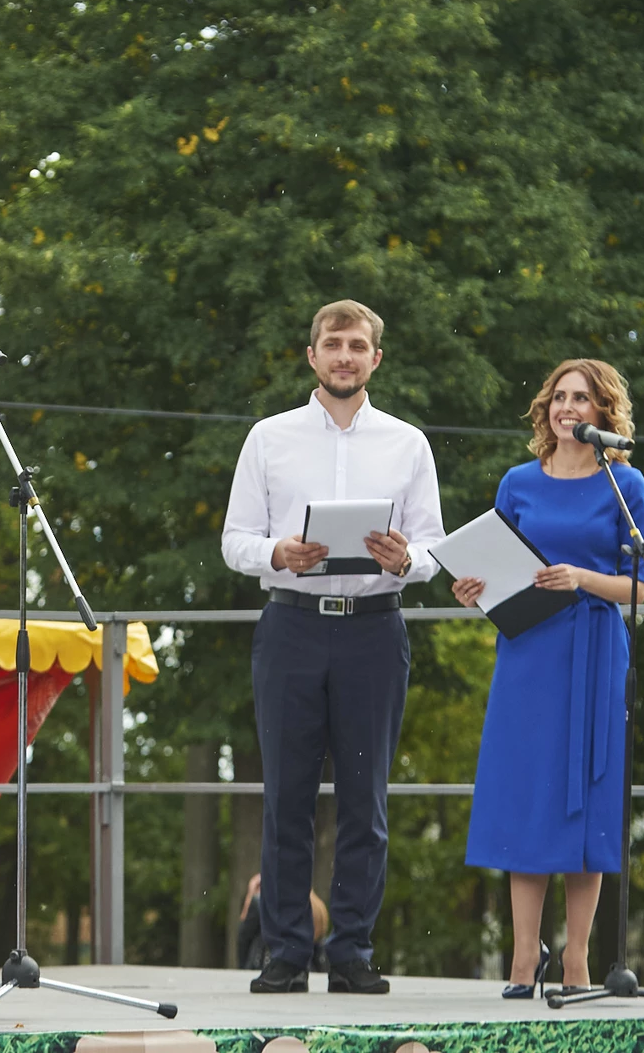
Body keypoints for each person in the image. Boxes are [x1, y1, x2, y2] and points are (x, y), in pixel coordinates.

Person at [221, 299, 447, 995]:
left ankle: (350, 952)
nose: (344, 356)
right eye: (332, 343)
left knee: (364, 800)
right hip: (290, 627)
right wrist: (277, 553)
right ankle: (286, 952)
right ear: (311, 355)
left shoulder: (408, 443)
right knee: (285, 798)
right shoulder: (268, 437)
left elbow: (434, 547)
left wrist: (406, 559)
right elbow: (234, 541)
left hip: (374, 630)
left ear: (375, 358)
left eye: (356, 345)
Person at [456, 358, 644, 1000]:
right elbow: (500, 566)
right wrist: (474, 589)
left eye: (582, 398)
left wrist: (581, 578)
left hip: (595, 650)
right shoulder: (517, 482)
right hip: (528, 652)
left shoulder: (626, 484)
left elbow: (640, 589)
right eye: (560, 397)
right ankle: (523, 958)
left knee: (587, 800)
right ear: (547, 408)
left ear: (603, 412)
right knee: (527, 796)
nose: (568, 407)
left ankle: (577, 960)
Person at [236, 872, 330, 972]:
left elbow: (244, 937)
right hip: (306, 967)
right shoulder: (317, 908)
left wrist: (250, 897)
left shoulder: (264, 904)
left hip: (267, 966)